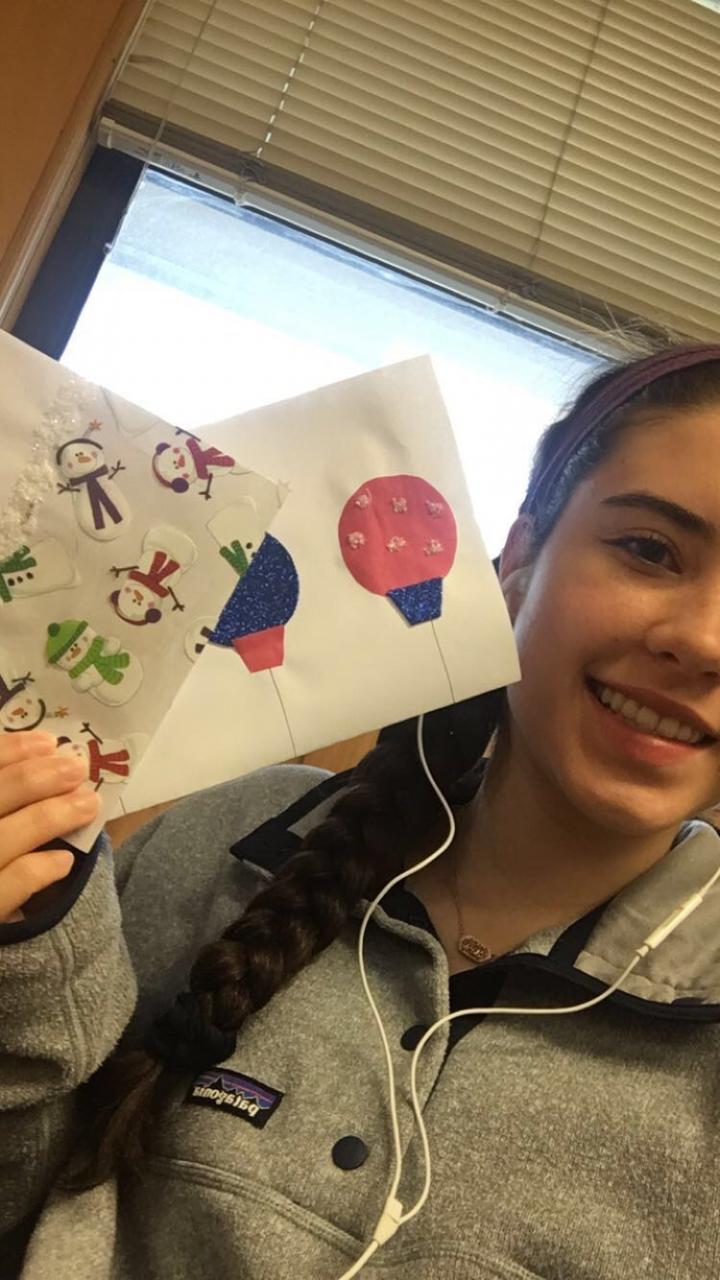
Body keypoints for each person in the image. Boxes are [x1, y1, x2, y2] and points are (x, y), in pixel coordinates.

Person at [3, 344, 720, 1280]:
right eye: (650, 551)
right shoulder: (229, 841)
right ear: (518, 560)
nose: (703, 640)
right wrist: (26, 949)